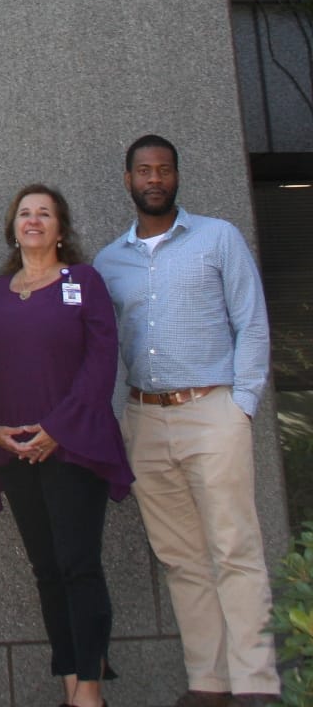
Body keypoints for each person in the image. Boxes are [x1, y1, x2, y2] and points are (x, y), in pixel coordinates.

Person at [93, 135, 279, 707]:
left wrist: (242, 403)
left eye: (164, 170)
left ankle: (255, 684)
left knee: (235, 548)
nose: (154, 179)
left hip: (213, 411)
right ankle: (209, 682)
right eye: (144, 171)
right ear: (127, 180)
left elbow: (252, 322)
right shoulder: (108, 261)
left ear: (177, 176)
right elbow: (108, 348)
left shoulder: (217, 238)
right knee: (181, 557)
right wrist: (121, 419)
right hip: (146, 420)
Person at [0, 185, 131, 707]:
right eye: (25, 213)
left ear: (61, 229)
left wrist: (58, 428)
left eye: (45, 213)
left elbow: (100, 363)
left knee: (77, 564)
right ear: (12, 227)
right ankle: (70, 681)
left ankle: (89, 690)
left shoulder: (83, 282)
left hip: (73, 447)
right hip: (13, 451)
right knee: (46, 569)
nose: (34, 220)